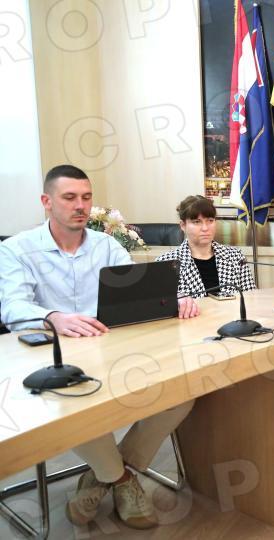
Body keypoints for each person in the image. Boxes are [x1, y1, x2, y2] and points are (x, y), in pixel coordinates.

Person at [0, 165, 198, 529]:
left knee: (183, 391)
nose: (80, 206)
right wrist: (54, 316)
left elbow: (138, 290)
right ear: (47, 202)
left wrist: (175, 299)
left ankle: (105, 475)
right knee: (78, 404)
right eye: (69, 197)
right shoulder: (17, 249)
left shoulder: (107, 245)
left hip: (109, 348)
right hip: (53, 356)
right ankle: (121, 479)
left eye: (86, 197)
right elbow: (12, 308)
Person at [155, 195, 256, 297]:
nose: (205, 228)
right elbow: (160, 304)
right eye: (197, 222)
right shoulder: (166, 263)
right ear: (183, 225)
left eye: (210, 220)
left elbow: (251, 298)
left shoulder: (235, 256)